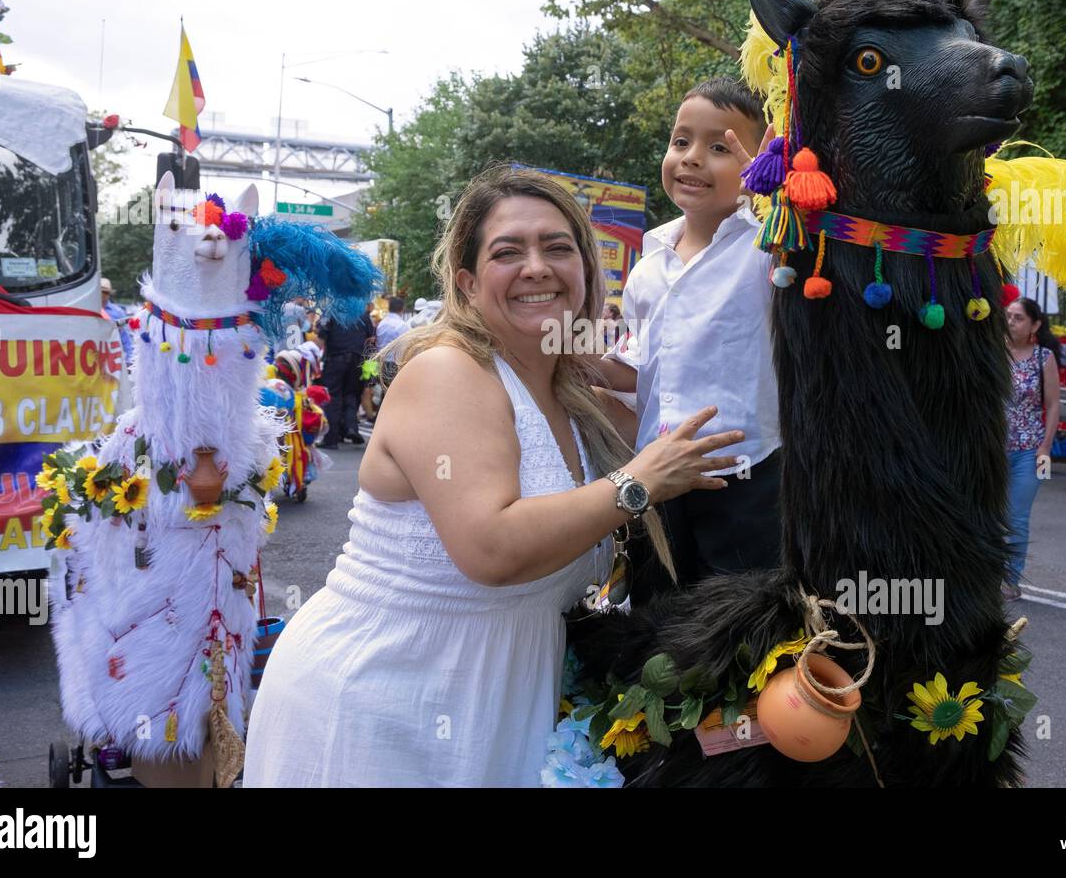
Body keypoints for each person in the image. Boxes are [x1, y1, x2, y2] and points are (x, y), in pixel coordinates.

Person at [243, 167, 739, 786]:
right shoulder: (448, 372)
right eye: (508, 252)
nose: (537, 267)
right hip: (385, 705)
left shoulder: (577, 394)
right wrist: (637, 483)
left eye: (558, 248)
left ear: (586, 269)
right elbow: (491, 547)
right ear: (468, 282)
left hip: (502, 708)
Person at [594, 78, 782, 596]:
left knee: (740, 614)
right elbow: (636, 371)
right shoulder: (647, 266)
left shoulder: (770, 249)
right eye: (681, 141)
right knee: (656, 606)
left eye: (720, 147)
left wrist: (777, 191)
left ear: (758, 158)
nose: (693, 158)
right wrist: (569, 357)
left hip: (747, 474)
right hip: (656, 475)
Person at [1002, 297, 1061, 600]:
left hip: (1030, 449)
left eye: (1018, 318)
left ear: (1035, 325)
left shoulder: (1043, 357)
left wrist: (1045, 447)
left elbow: (1052, 405)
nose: (1011, 322)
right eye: (1008, 316)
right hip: (992, 448)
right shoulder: (994, 352)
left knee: (1016, 517)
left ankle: (1010, 580)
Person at [317, 310, 375, 448]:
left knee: (333, 397)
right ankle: (349, 428)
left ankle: (331, 438)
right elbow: (371, 338)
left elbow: (321, 335)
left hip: (336, 359)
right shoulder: (363, 313)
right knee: (351, 394)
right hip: (357, 359)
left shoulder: (332, 311)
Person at [99, 277, 133, 365]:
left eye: (105, 292)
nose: (102, 294)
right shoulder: (88, 309)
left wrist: (130, 358)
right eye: (100, 291)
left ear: (109, 294)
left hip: (112, 354)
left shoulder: (118, 312)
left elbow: (125, 336)